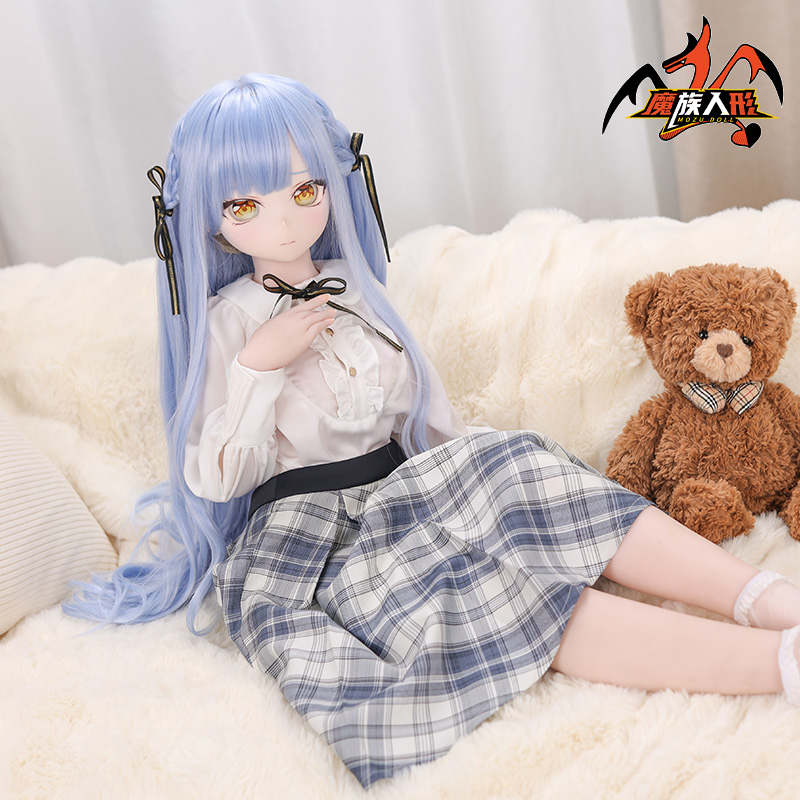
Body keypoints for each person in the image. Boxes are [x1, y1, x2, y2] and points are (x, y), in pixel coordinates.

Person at [65, 74, 800, 788]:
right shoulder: (228, 321)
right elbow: (216, 476)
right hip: (311, 529)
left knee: (519, 469)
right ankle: (777, 665)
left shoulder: (357, 288)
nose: (283, 222)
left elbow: (422, 409)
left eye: (304, 191)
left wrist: (488, 484)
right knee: (493, 598)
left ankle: (766, 598)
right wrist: (260, 366)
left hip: (402, 483)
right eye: (245, 205)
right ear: (207, 217)